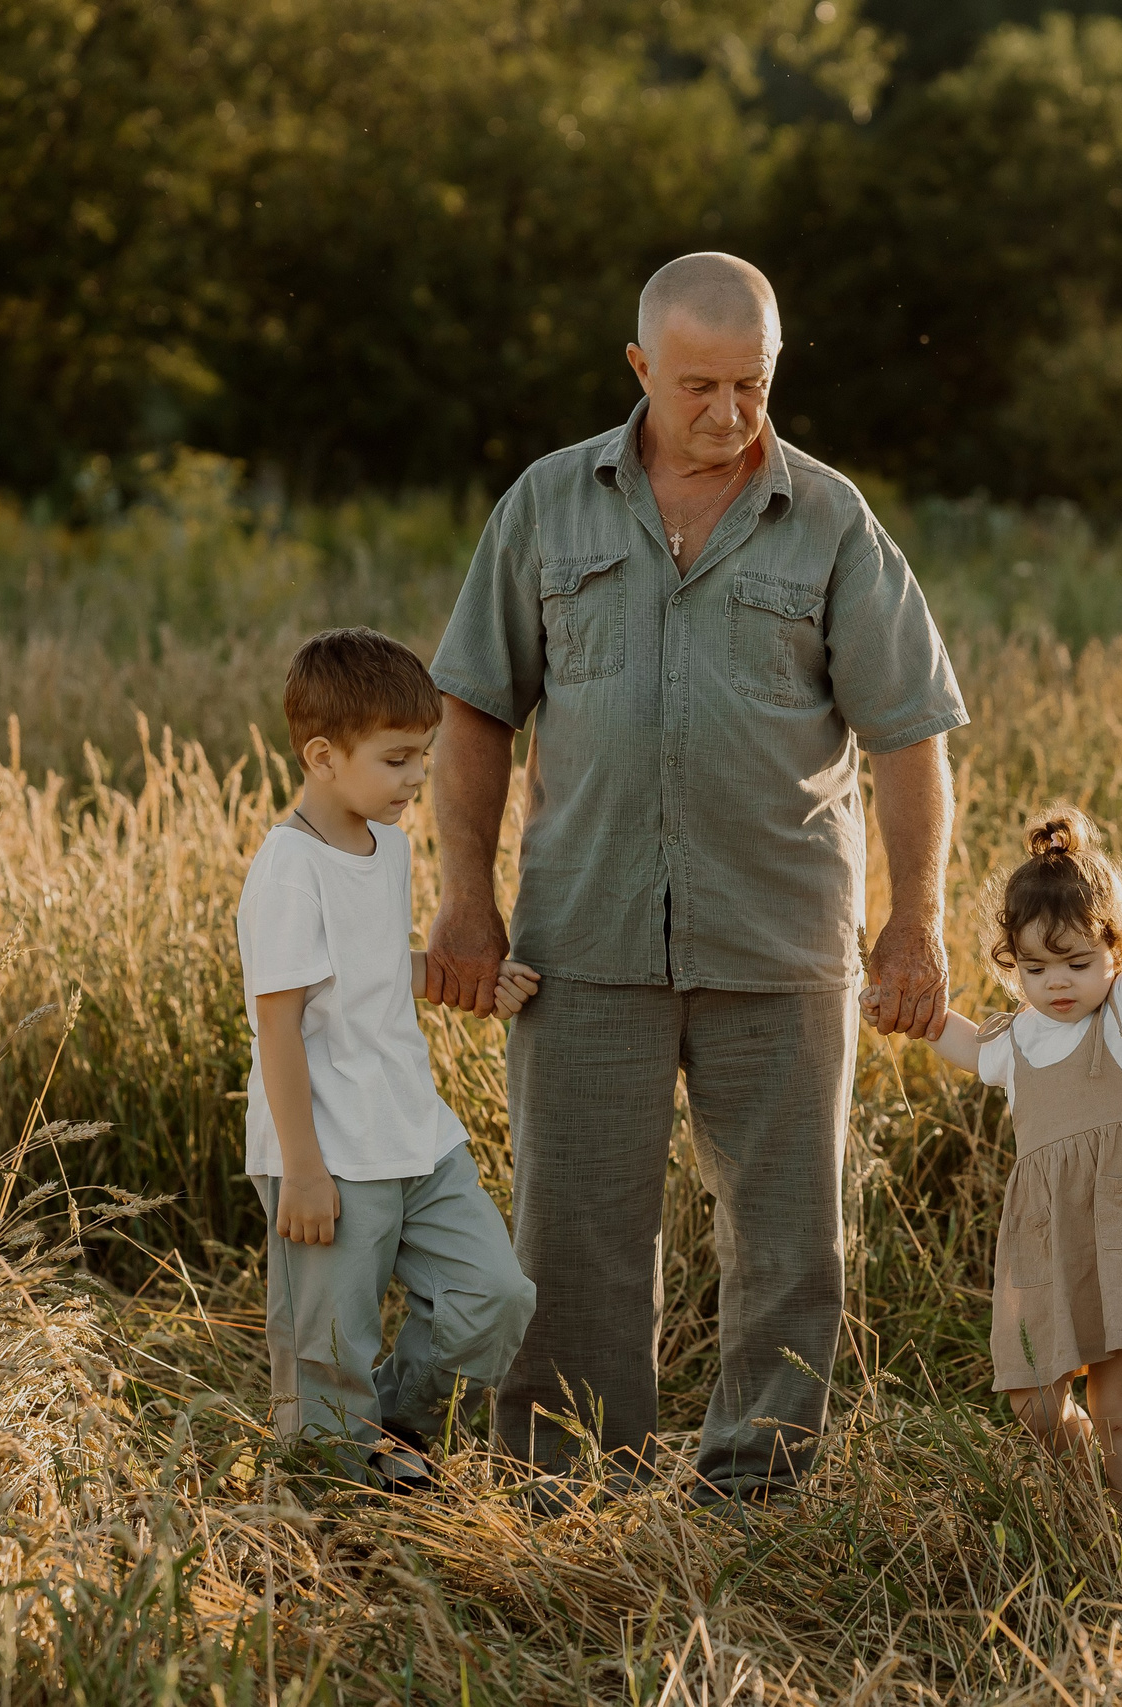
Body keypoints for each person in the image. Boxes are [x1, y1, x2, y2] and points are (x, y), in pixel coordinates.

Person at [426, 252, 967, 1503]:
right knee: (573, 1241)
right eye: (697, 387)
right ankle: (567, 1493)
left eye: (752, 383)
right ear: (637, 370)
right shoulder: (547, 507)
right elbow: (474, 709)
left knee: (787, 1245)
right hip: (584, 936)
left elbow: (909, 735)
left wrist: (915, 925)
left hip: (782, 941)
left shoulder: (833, 520)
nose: (728, 414)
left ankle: (756, 1500)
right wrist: (464, 896)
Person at [236, 627, 541, 1489]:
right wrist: (301, 1168)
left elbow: (368, 972)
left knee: (495, 1294)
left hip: (415, 1131)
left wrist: (458, 980)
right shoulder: (289, 869)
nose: (418, 779)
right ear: (324, 756)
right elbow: (281, 1027)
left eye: (426, 755)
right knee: (330, 1353)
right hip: (329, 1150)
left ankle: (400, 1427)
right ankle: (328, 1508)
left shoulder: (388, 844)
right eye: (400, 759)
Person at [868, 805, 1122, 1535]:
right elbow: (953, 1036)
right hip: (1047, 1241)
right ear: (1012, 963)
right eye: (1035, 968)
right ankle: (1082, 1494)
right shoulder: (1022, 1038)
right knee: (1032, 1398)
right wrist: (894, 1005)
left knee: (1118, 1405)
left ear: (1113, 951)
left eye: (1076, 963)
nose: (1057, 983)